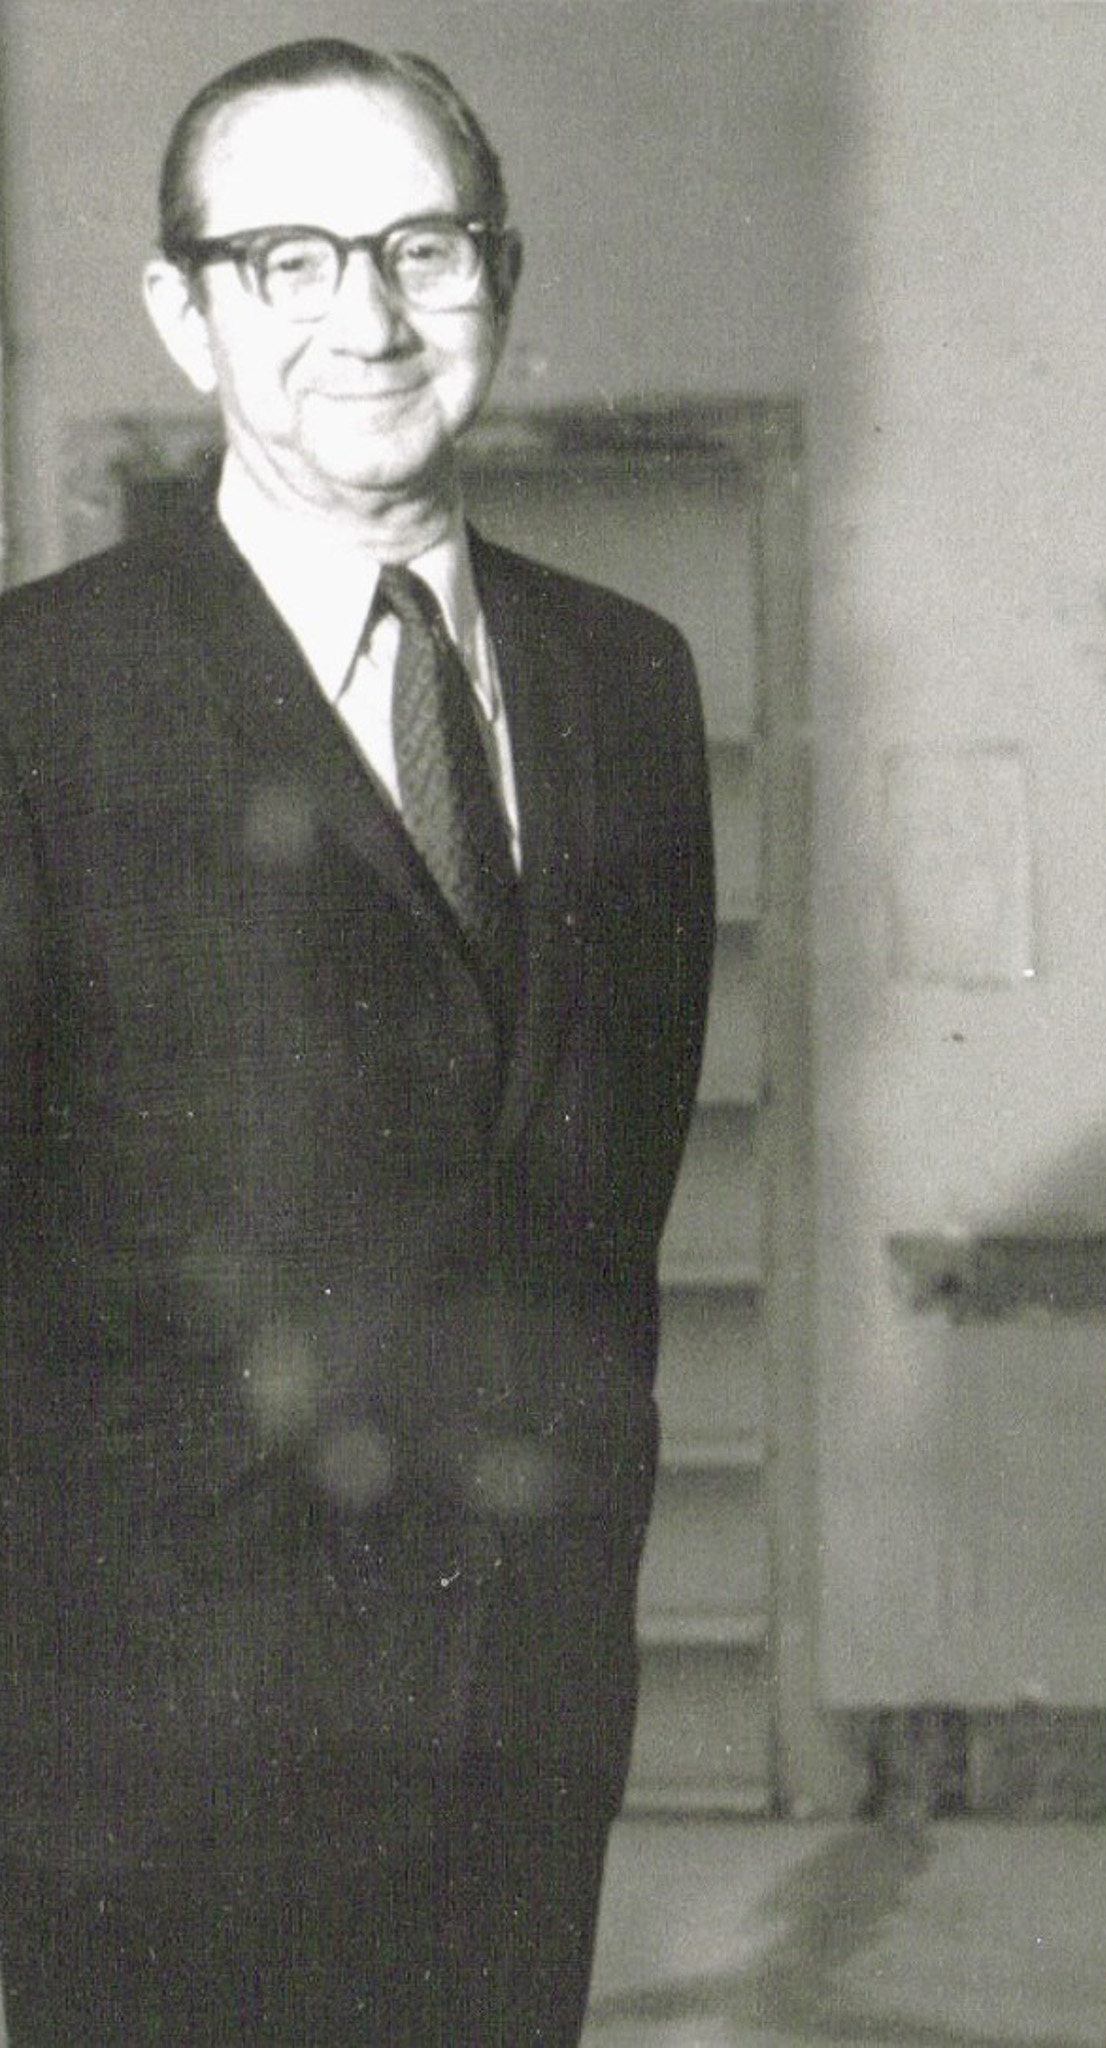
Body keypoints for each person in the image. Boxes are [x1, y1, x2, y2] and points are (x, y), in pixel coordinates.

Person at [0, 38, 713, 2045]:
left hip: (526, 1704)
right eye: (288, 261)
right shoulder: (39, 699)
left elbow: (599, 1195)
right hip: (150, 1755)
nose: (371, 319)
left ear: (502, 273)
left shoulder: (623, 682)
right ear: (183, 311)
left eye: (421, 246)